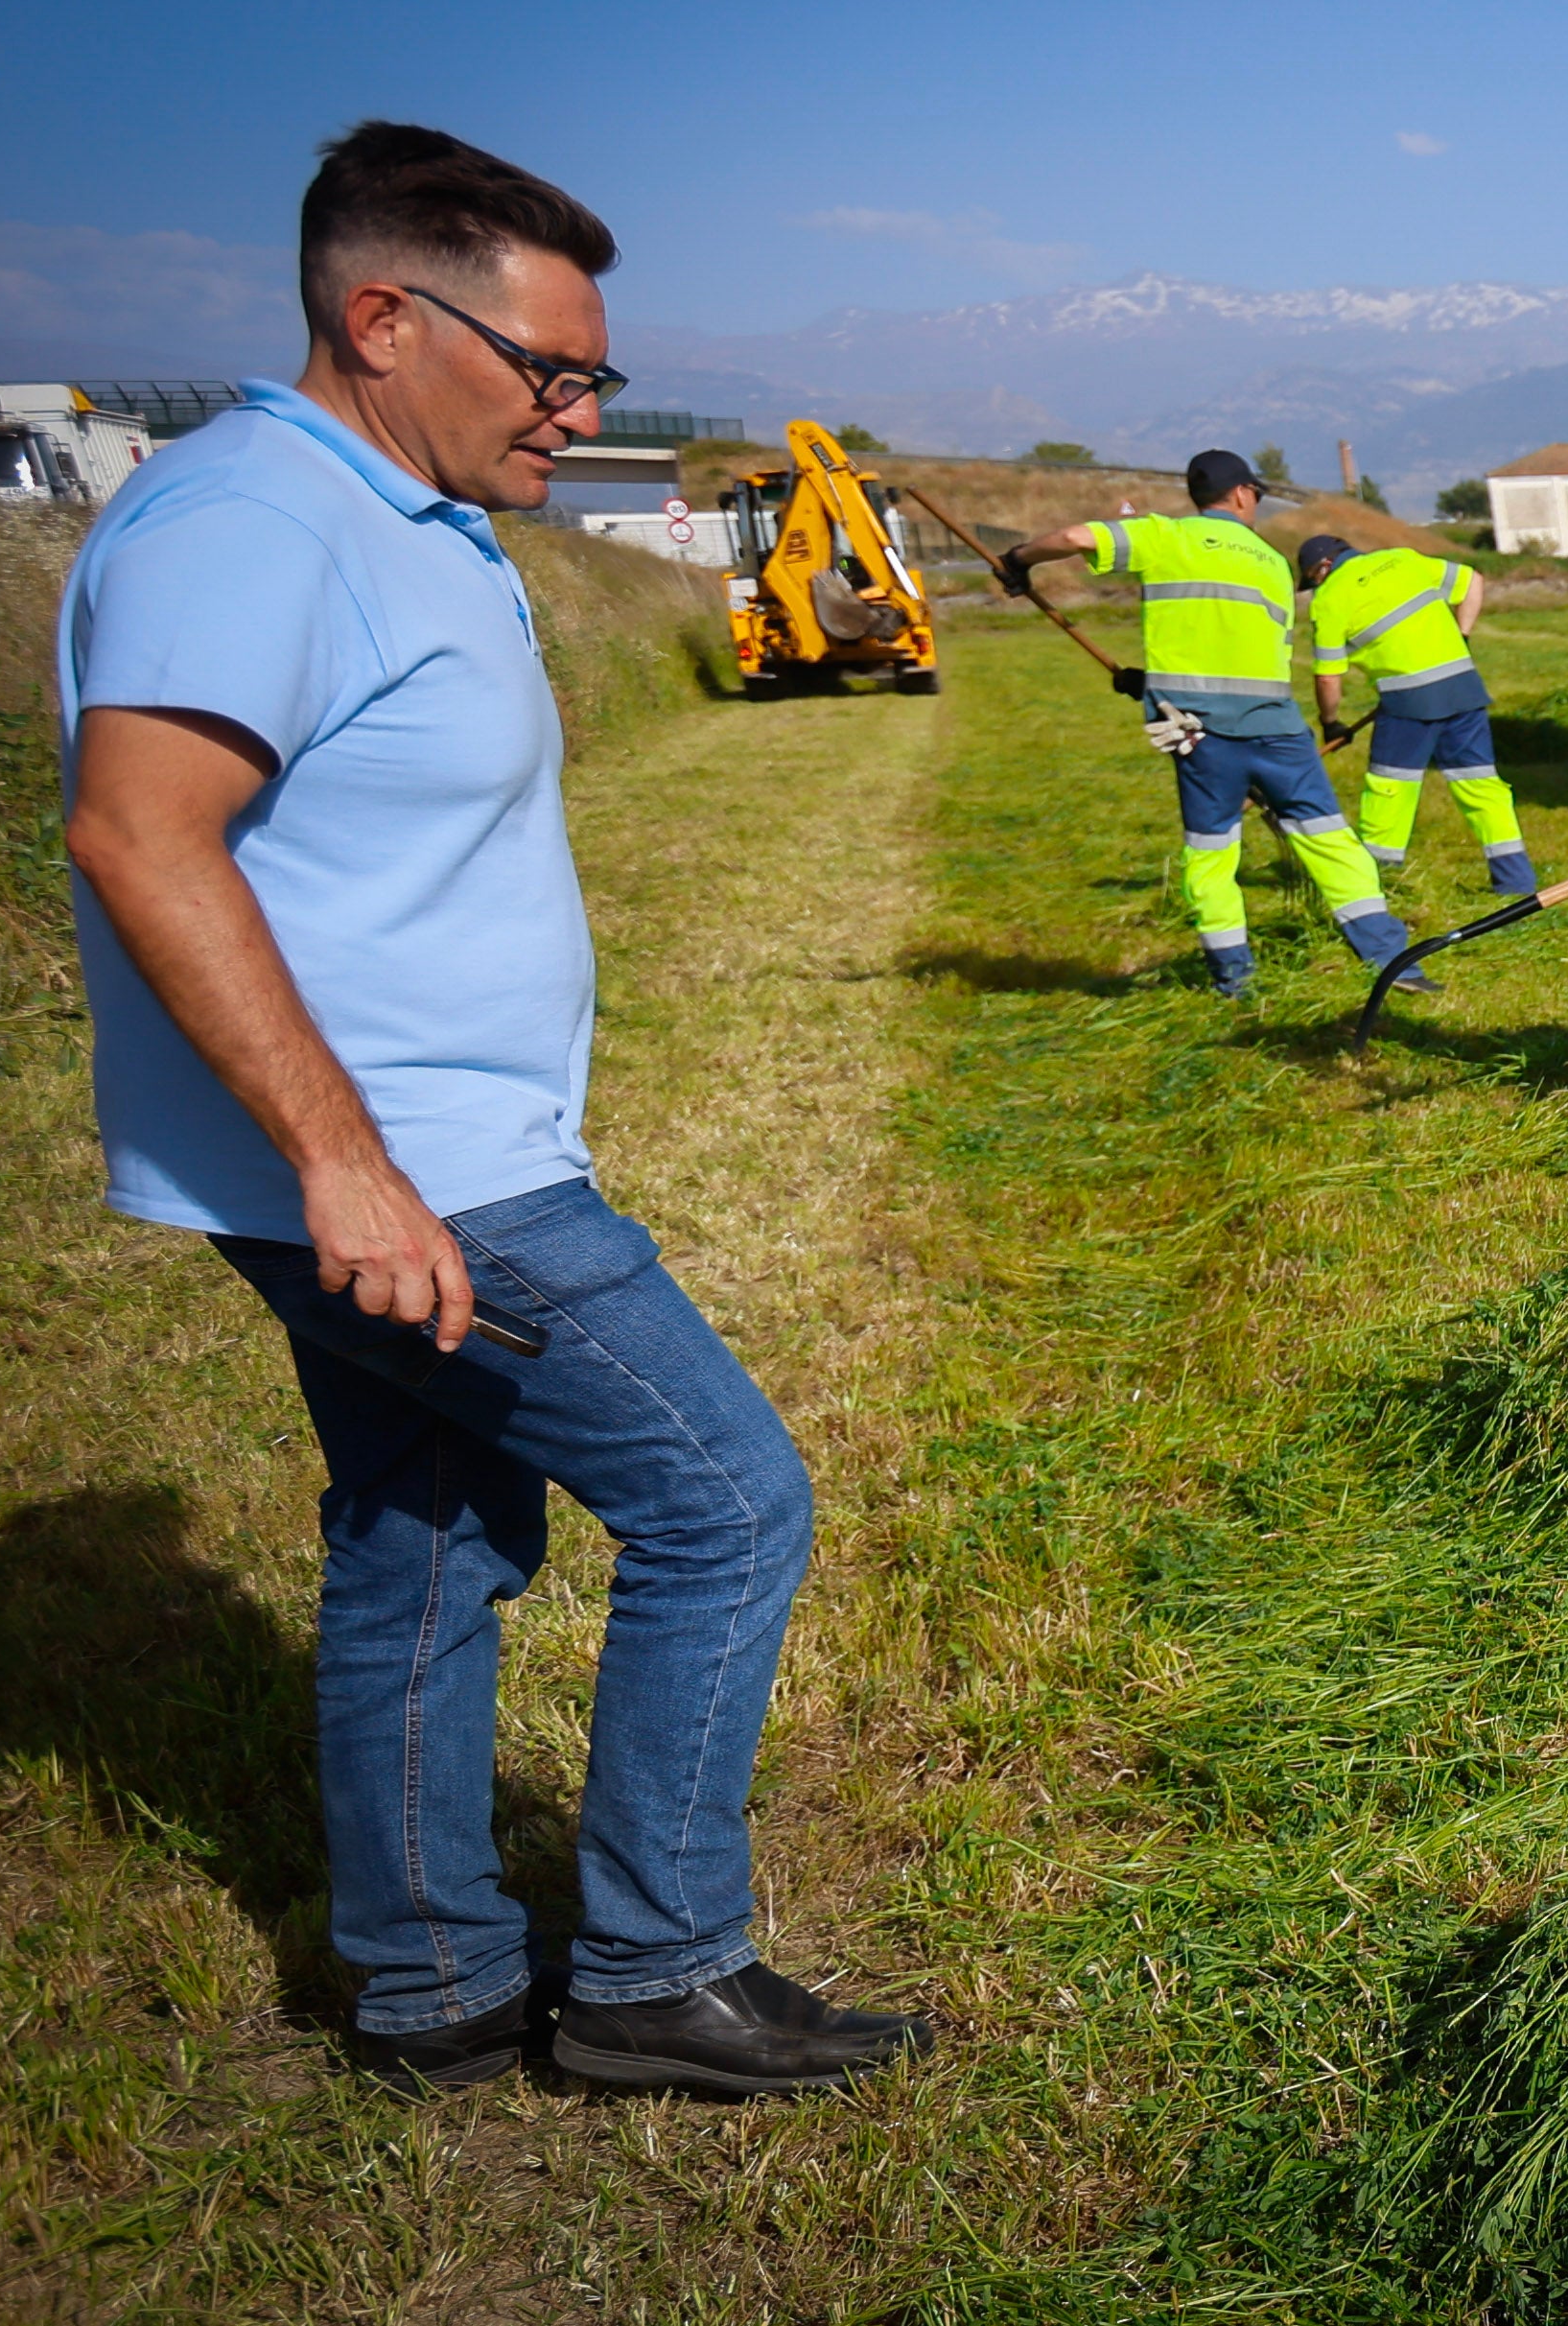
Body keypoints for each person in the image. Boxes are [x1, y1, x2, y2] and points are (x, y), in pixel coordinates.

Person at [55, 122, 928, 2095]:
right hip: (421, 1182)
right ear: (382, 317)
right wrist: (349, 1170)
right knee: (724, 1507)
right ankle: (653, 1971)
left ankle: (434, 1988)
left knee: (431, 1531)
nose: (581, 408)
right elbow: (141, 831)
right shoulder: (251, 523)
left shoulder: (395, 517)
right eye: (550, 370)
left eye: (589, 372)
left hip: (409, 1168)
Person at [995, 455, 1419, 999]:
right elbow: (1245, 645)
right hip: (1275, 725)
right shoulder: (1269, 560)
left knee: (1211, 852)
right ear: (1242, 494)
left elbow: (1075, 537)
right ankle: (1391, 957)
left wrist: (1019, 559)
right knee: (1331, 838)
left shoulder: (1163, 537)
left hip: (1196, 731)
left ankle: (1233, 980)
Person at [1298, 530, 1534, 898]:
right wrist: (1463, 637)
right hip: (1462, 688)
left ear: (1323, 568)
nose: (1314, 588)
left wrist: (1330, 723)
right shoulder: (1403, 558)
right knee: (1483, 787)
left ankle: (1379, 886)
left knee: (1389, 790)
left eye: (1312, 580)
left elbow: (1328, 676)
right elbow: (1473, 580)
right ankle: (1516, 884)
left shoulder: (1329, 598)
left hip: (1407, 704)